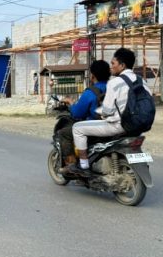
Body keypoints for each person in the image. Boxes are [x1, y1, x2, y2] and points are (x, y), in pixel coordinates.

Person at [65, 48, 151, 177]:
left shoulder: (114, 83)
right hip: (140, 124)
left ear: (122, 65)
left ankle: (83, 166)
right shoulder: (141, 80)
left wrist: (101, 112)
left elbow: (107, 110)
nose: (111, 67)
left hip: (119, 125)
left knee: (77, 128)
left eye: (113, 63)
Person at [55, 60, 110, 169]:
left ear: (92, 75)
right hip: (114, 125)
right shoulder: (113, 88)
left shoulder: (90, 92)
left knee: (64, 133)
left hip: (95, 128)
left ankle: (72, 166)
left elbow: (77, 113)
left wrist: (71, 103)